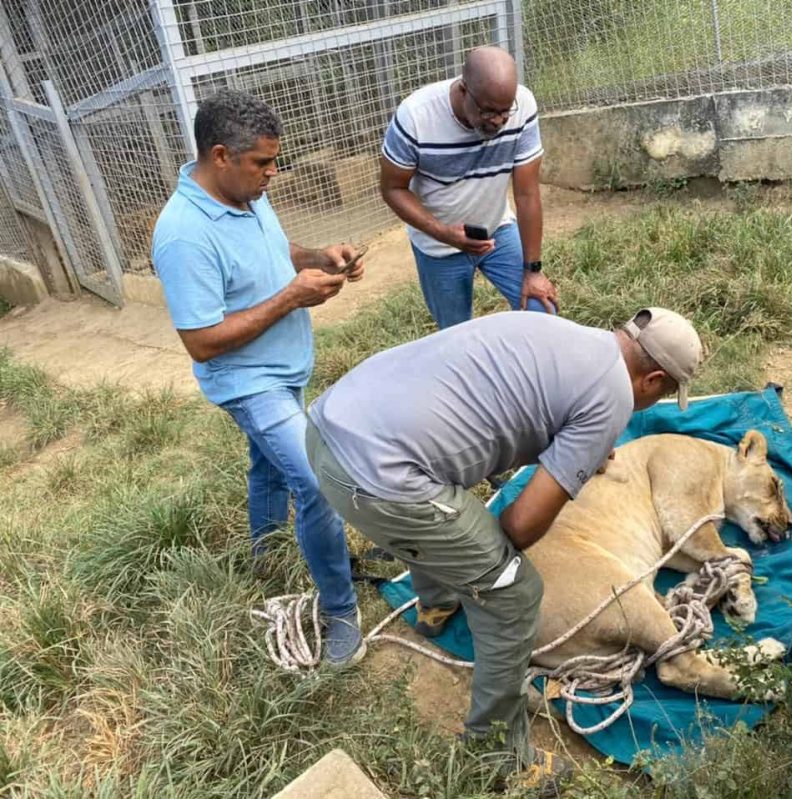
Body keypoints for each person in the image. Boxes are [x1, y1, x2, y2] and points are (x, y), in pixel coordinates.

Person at [305, 308, 703, 788]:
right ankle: (497, 756)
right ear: (653, 379)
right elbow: (520, 524)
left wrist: (574, 451)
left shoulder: (567, 334)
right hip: (378, 479)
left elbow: (512, 411)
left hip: (330, 425)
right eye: (663, 393)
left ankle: (435, 606)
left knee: (451, 507)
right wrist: (491, 570)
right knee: (513, 591)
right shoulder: (613, 396)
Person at [151, 90, 367, 667]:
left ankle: (267, 561)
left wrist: (318, 257)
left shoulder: (244, 194)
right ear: (220, 155)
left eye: (275, 160)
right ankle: (339, 609)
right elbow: (200, 341)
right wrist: (290, 297)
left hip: (284, 366)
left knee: (268, 466)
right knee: (318, 480)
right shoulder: (183, 234)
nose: (274, 173)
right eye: (263, 164)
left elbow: (273, 248)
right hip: (248, 380)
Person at [379, 45, 559, 329]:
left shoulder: (523, 105)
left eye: (504, 111)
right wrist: (444, 234)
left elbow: (527, 193)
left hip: (497, 230)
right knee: (456, 336)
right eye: (488, 112)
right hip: (438, 245)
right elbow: (392, 188)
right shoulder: (415, 116)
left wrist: (533, 270)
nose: (499, 121)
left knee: (541, 311)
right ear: (464, 91)